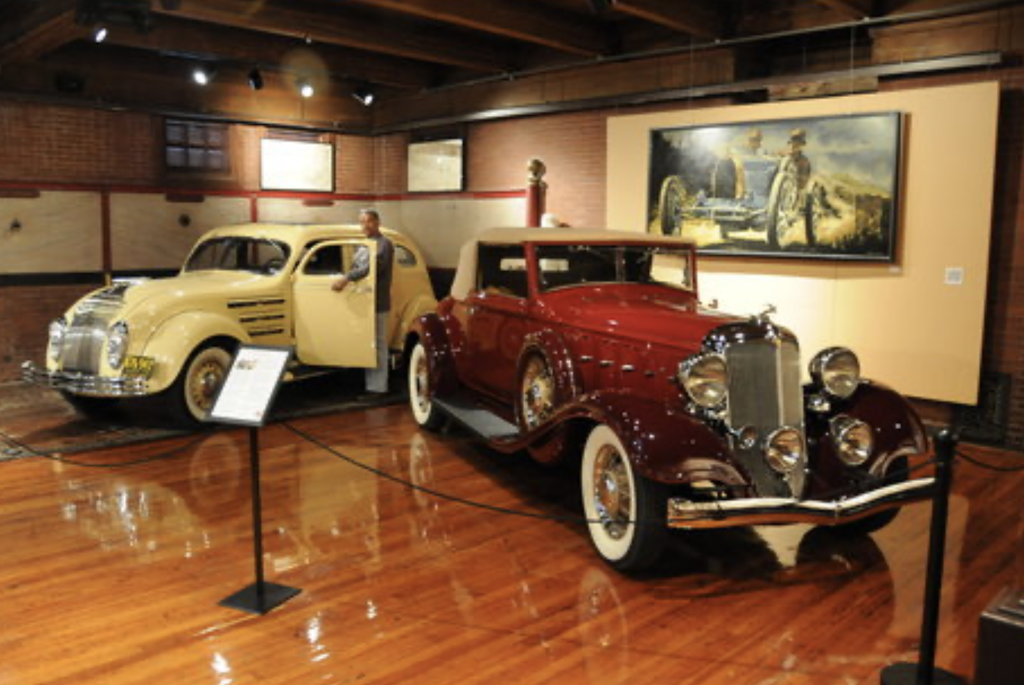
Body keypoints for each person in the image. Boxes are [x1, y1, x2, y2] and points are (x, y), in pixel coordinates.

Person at [332, 208, 394, 395]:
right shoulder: (364, 244)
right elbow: (356, 266)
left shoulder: (384, 244)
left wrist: (346, 278)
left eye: (369, 221)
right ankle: (365, 382)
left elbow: (371, 267)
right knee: (365, 343)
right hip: (362, 301)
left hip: (377, 301)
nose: (365, 225)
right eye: (362, 222)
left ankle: (378, 387)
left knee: (378, 344)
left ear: (377, 222)